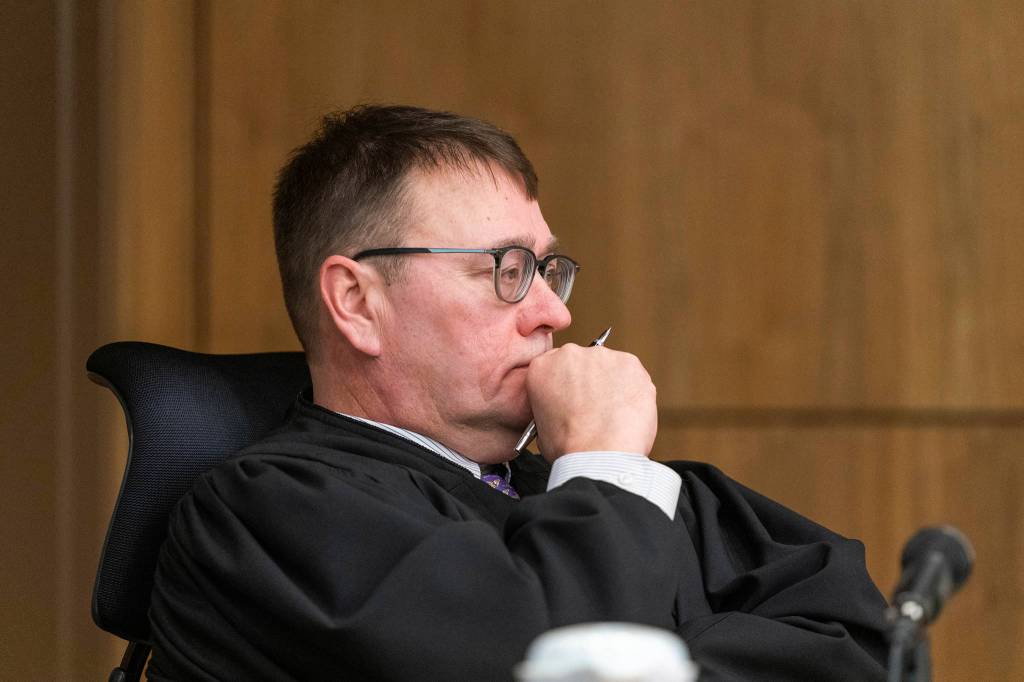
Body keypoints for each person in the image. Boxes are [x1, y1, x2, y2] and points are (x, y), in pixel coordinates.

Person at [148, 104, 889, 681]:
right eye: (505, 269)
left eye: (547, 270)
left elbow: (857, 636)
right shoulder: (270, 515)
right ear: (357, 302)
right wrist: (605, 465)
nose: (554, 313)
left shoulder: (564, 481)